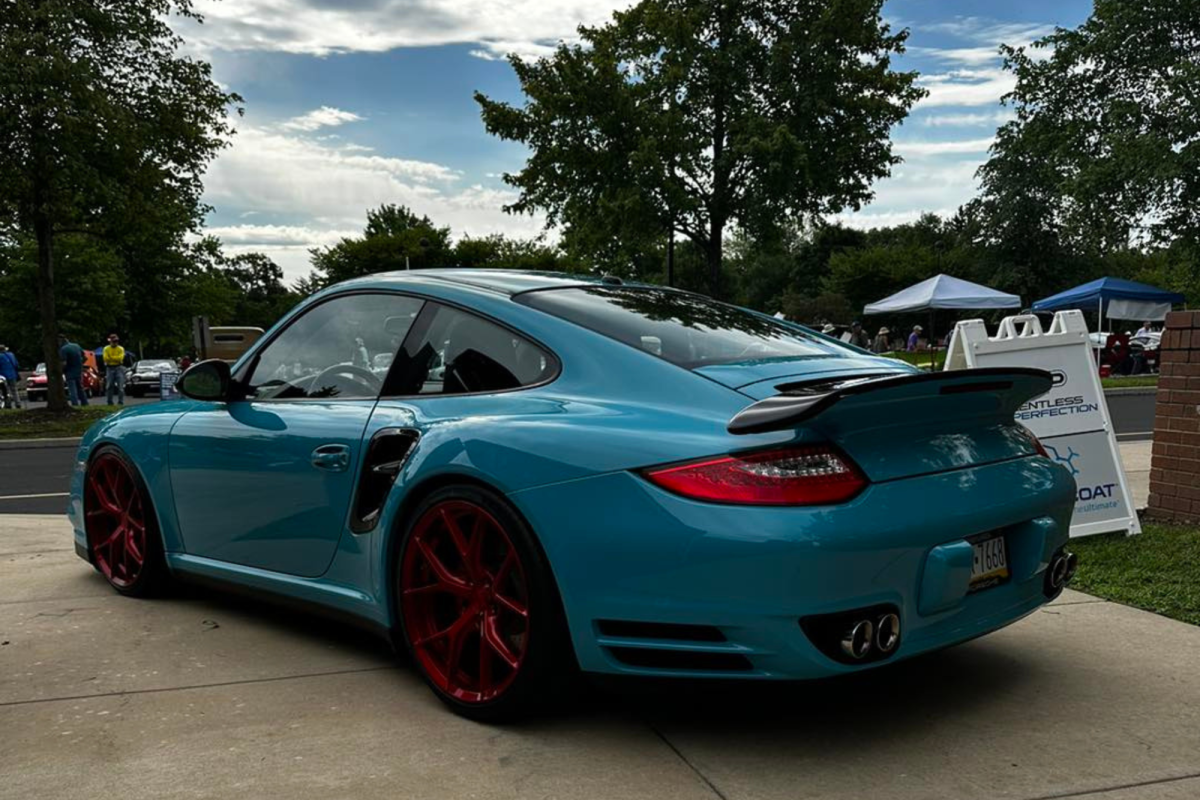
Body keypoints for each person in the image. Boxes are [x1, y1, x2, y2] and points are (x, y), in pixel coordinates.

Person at [58, 334, 88, 407]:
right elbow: (85, 357)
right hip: (78, 370)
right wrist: (80, 364)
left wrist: (61, 371)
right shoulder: (76, 346)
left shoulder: (63, 349)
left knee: (72, 390)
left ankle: (75, 404)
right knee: (80, 388)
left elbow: (64, 363)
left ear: (61, 340)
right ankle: (85, 403)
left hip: (69, 371)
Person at [102, 333, 127, 406]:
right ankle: (109, 402)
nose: (115, 343)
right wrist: (115, 358)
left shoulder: (121, 348)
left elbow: (120, 358)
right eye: (113, 341)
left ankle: (120, 402)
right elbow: (105, 358)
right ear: (110, 341)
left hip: (119, 367)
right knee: (109, 386)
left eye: (116, 341)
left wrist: (111, 358)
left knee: (120, 386)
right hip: (109, 368)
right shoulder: (106, 348)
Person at [0, 344, 21, 409]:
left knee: (6, 390)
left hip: (3, 376)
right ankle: (18, 403)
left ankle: (8, 404)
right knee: (14, 390)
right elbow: (16, 364)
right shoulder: (11, 355)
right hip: (13, 375)